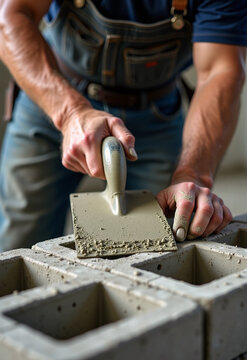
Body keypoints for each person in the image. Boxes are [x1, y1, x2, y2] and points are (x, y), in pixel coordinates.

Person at [0, 0, 246, 251]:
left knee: (163, 240)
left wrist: (192, 174)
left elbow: (220, 70)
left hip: (155, 118)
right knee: (19, 239)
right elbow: (10, 15)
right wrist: (70, 112)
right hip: (52, 96)